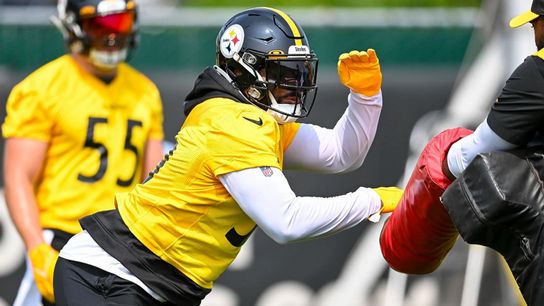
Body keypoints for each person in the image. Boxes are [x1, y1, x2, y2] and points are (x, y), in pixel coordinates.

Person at [52, 7, 402, 306]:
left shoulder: (257, 119)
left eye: (297, 72)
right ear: (243, 69)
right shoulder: (235, 123)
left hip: (155, 284)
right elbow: (287, 222)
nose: (292, 84)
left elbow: (341, 154)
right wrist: (371, 200)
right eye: (282, 74)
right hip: (110, 273)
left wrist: (365, 97)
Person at [2, 0, 164, 305]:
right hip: (64, 236)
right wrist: (37, 248)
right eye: (100, 25)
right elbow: (18, 178)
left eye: (121, 23)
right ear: (73, 25)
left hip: (122, 241)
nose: (113, 36)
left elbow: (153, 180)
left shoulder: (145, 91)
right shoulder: (42, 88)